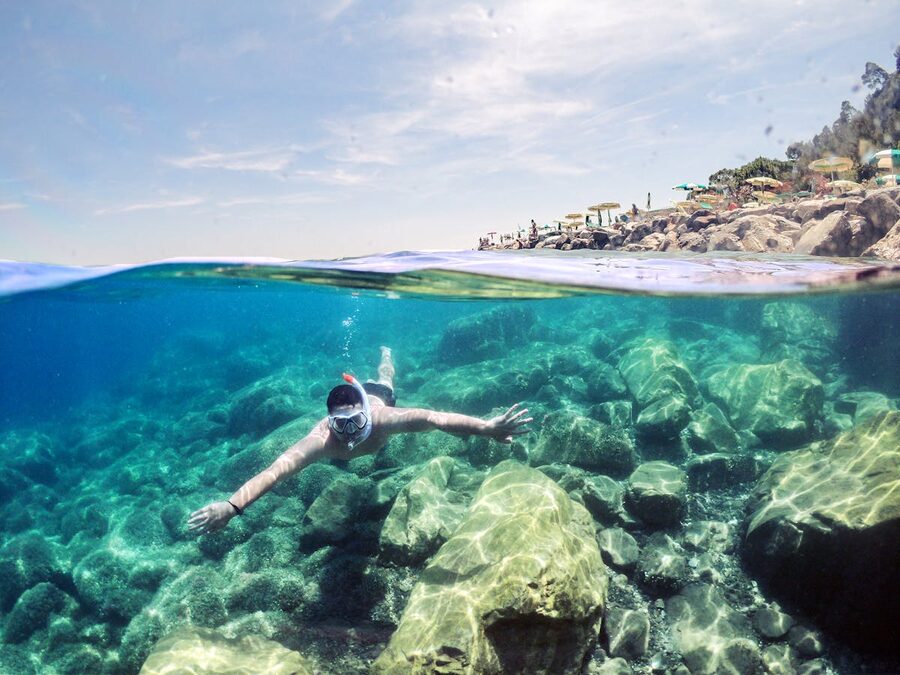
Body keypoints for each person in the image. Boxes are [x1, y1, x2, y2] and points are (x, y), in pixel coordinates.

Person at [187, 347, 532, 534]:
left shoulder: (382, 419)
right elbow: (276, 471)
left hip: (377, 395)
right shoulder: (321, 439)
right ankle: (370, 373)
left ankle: (386, 356)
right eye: (341, 424)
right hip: (360, 399)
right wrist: (231, 507)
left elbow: (434, 418)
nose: (350, 433)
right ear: (330, 421)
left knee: (386, 378)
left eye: (356, 422)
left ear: (366, 414)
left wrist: (486, 427)